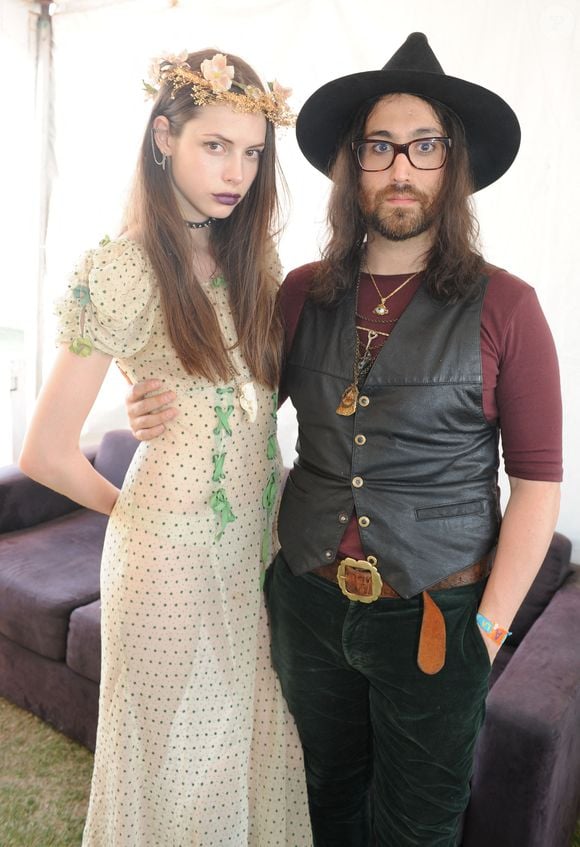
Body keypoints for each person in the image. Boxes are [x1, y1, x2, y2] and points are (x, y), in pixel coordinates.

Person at [126, 34, 562, 847]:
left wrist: (488, 630)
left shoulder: (509, 306)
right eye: (379, 147)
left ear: (451, 164)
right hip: (308, 607)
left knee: (418, 828)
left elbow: (536, 482)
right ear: (351, 166)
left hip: (436, 618)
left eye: (423, 146)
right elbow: (230, 400)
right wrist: (146, 400)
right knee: (318, 807)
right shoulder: (299, 294)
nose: (401, 168)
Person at [19, 49, 312, 846]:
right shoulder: (119, 269)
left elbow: (248, 400)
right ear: (162, 139)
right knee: (171, 761)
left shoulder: (252, 258)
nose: (237, 172)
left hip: (255, 543)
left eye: (252, 152)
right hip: (166, 556)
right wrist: (138, 510)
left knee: (248, 741)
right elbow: (45, 450)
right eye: (215, 145)